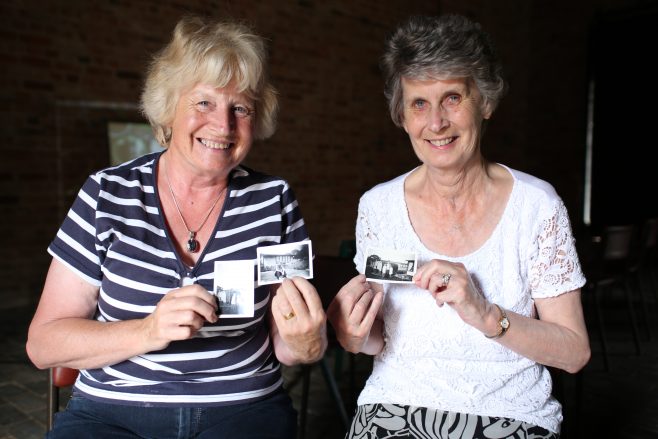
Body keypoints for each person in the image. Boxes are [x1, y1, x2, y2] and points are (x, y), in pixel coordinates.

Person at [26, 16, 327, 439]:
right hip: (113, 410)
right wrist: (149, 330)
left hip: (241, 407)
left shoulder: (272, 200)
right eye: (204, 102)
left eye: (239, 108)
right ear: (168, 106)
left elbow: (287, 342)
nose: (223, 126)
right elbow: (43, 345)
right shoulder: (107, 193)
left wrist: (305, 342)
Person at [328, 14, 590, 439]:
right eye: (419, 103)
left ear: (485, 101)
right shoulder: (378, 207)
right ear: (402, 115)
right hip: (394, 406)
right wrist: (352, 334)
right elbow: (379, 341)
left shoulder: (536, 206)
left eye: (452, 98)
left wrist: (486, 314)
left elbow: (575, 352)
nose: (436, 123)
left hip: (511, 414)